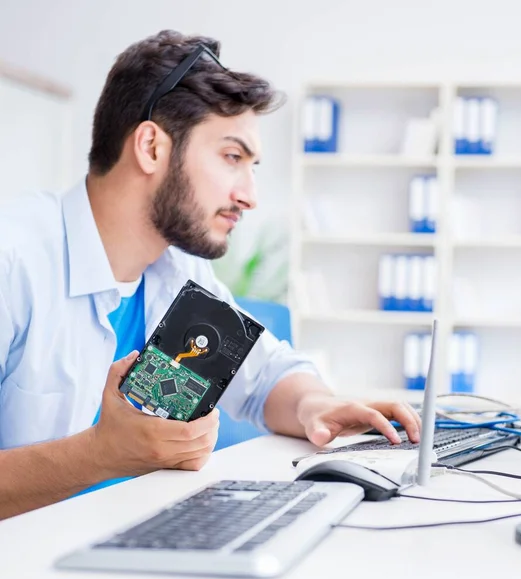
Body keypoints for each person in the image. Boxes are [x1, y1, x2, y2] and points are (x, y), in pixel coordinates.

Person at [0, 30, 420, 520]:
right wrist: (99, 455)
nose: (250, 195)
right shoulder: (16, 257)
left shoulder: (175, 266)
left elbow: (263, 378)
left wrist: (314, 406)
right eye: (232, 157)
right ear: (152, 147)